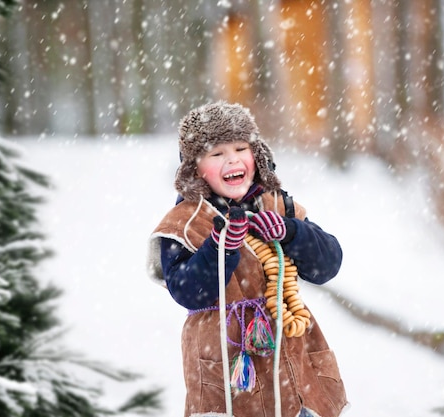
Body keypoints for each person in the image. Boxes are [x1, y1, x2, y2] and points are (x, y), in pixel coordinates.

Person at [146, 101, 348, 417]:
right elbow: (187, 291)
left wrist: (291, 233)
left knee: (295, 403)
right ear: (194, 169)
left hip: (291, 355)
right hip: (227, 359)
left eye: (241, 148)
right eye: (217, 153)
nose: (233, 159)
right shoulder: (184, 222)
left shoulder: (277, 205)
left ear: (257, 155)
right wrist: (220, 247)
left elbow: (328, 264)